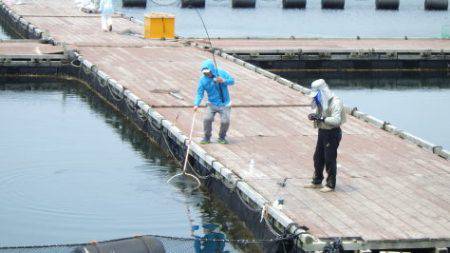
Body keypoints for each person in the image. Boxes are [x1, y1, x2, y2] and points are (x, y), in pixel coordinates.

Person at [305, 79, 346, 193]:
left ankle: (331, 184)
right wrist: (315, 116)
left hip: (332, 133)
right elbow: (319, 112)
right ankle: (317, 181)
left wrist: (322, 118)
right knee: (318, 157)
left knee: (329, 159)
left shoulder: (335, 102)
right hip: (322, 131)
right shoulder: (322, 101)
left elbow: (337, 120)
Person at [194, 59, 234, 144]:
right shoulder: (203, 80)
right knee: (207, 119)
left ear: (211, 70)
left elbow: (232, 81)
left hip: (225, 103)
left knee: (225, 121)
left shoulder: (221, 73)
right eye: (204, 72)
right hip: (211, 103)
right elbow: (199, 93)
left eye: (208, 72)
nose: (206, 74)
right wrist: (196, 104)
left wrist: (223, 81)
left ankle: (222, 137)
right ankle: (207, 137)